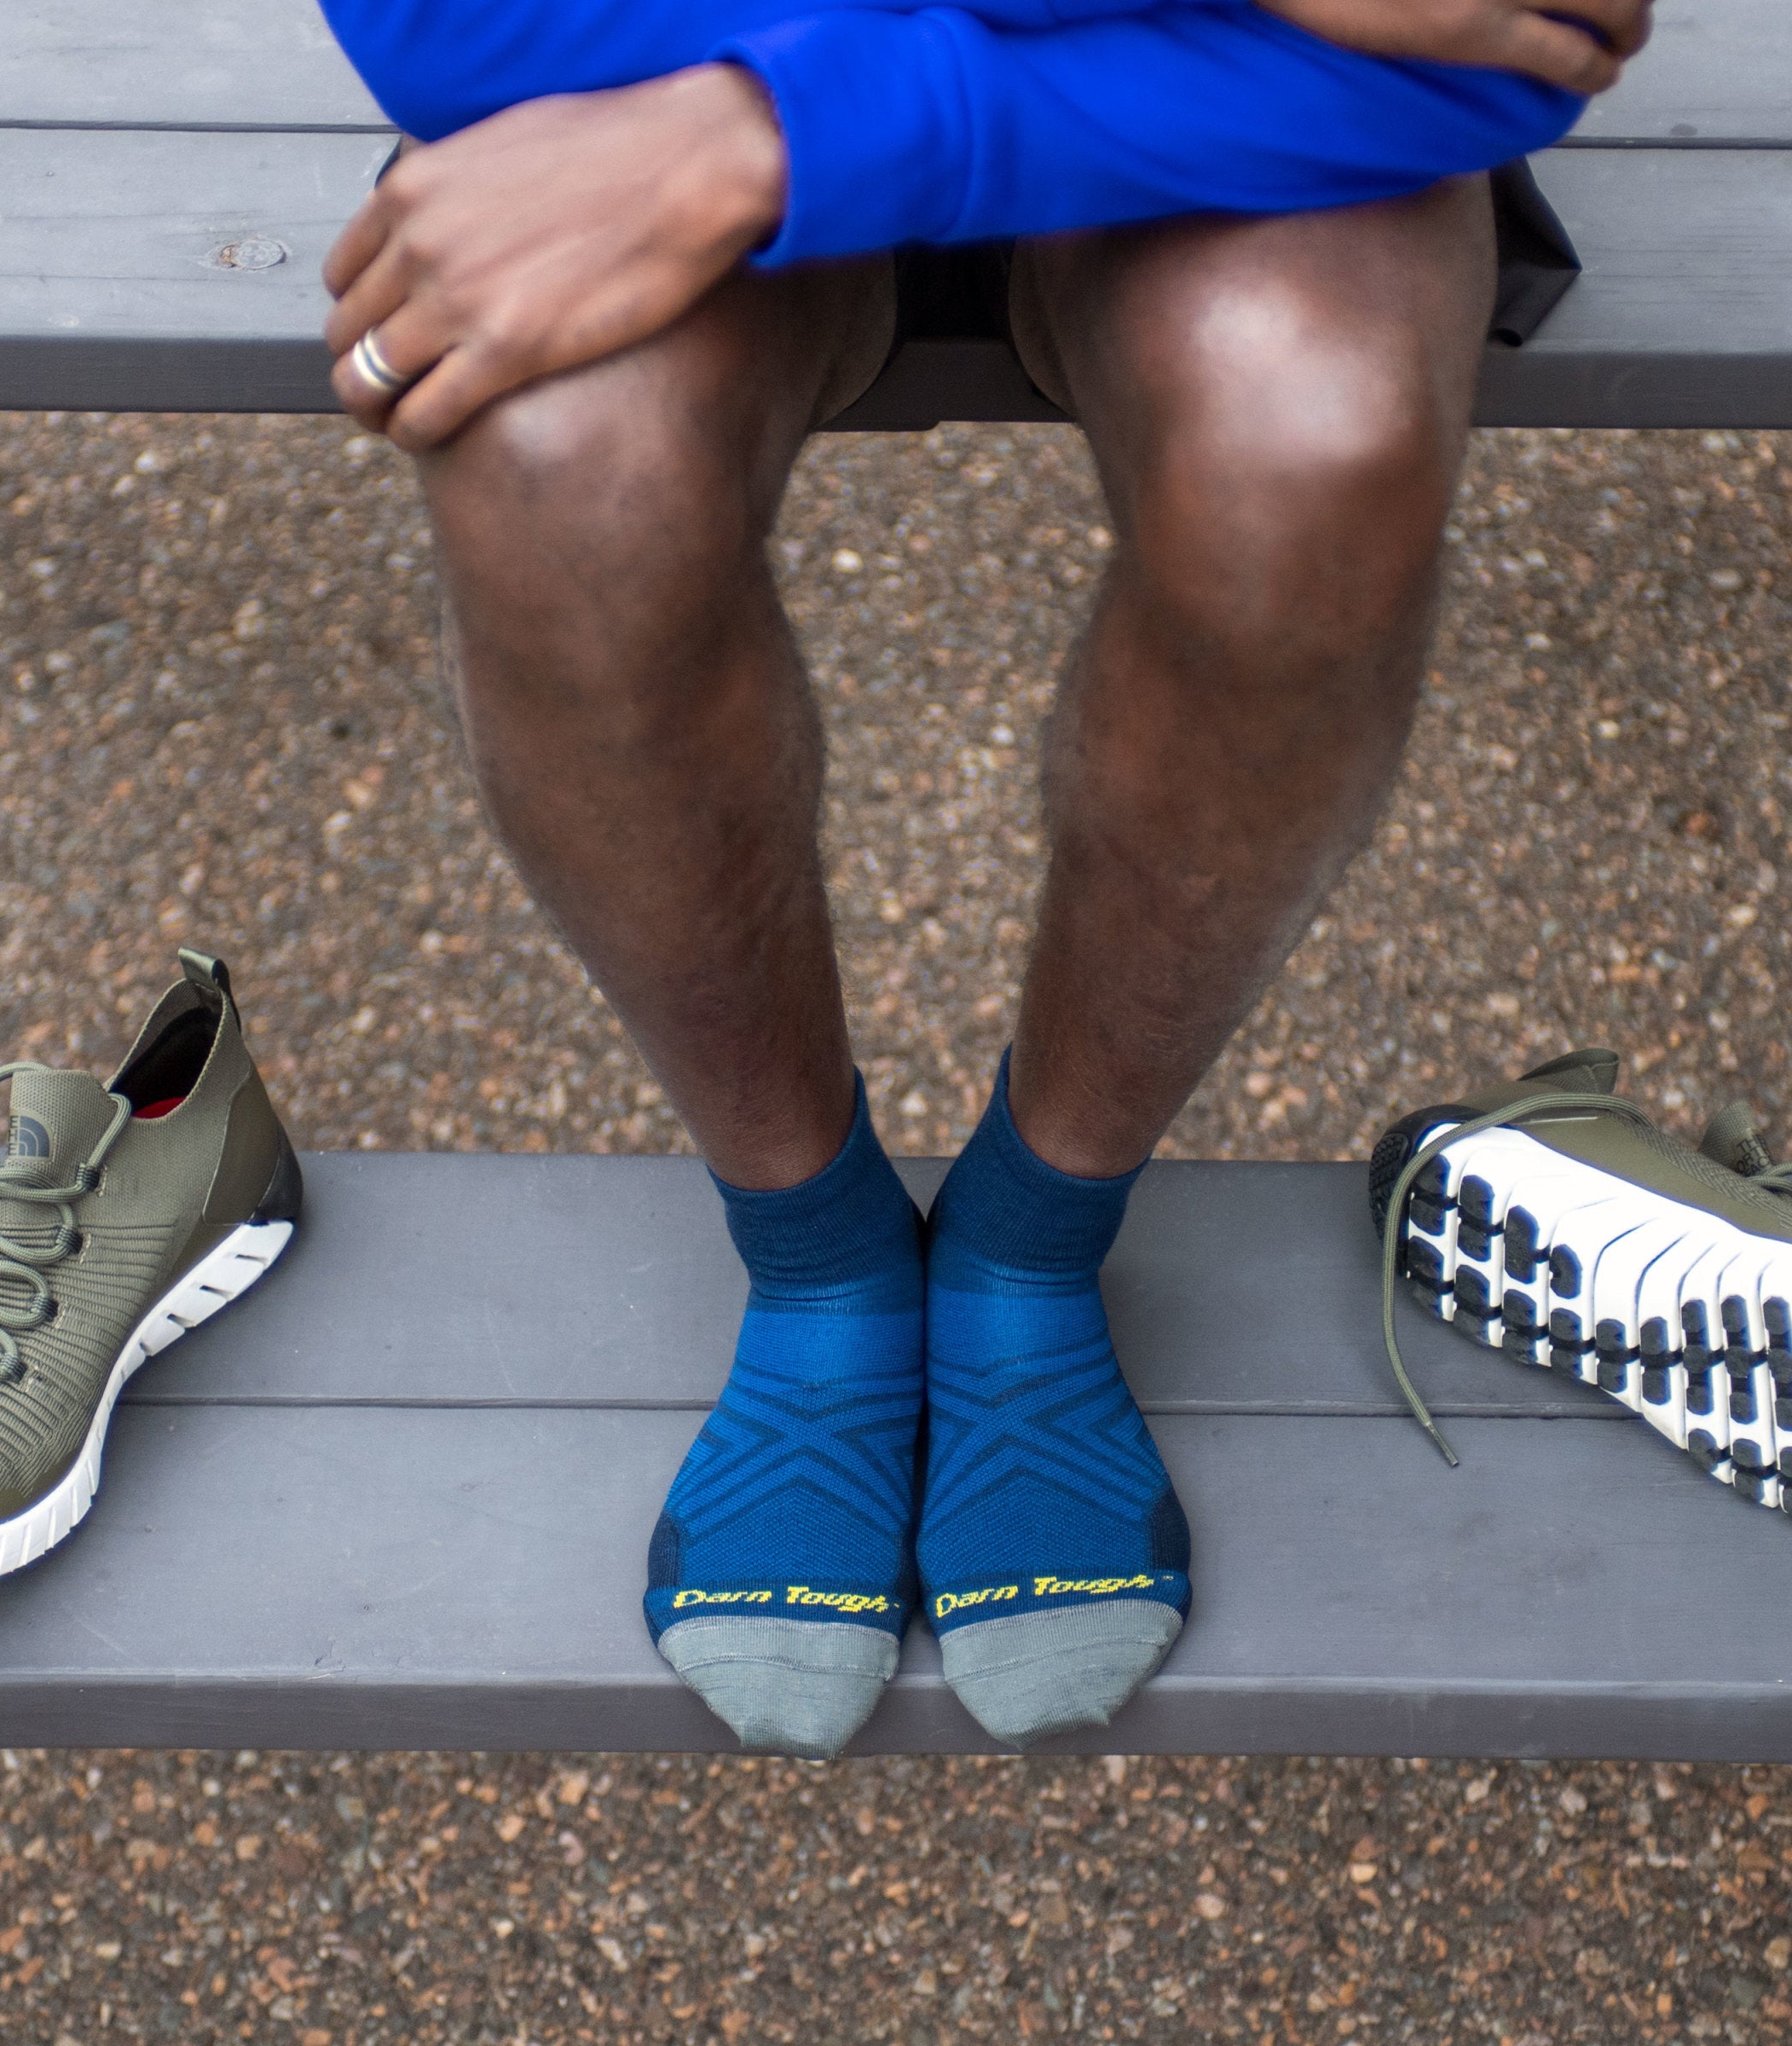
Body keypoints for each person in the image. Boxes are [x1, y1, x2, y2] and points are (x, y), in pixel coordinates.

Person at [315, 0, 1651, 1757]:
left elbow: (1523, 24)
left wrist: (797, 120)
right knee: (564, 470)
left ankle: (1033, 1245)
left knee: (1304, 439)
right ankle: (820, 1258)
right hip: (663, 55)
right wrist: (784, 124)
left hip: (1246, 96)